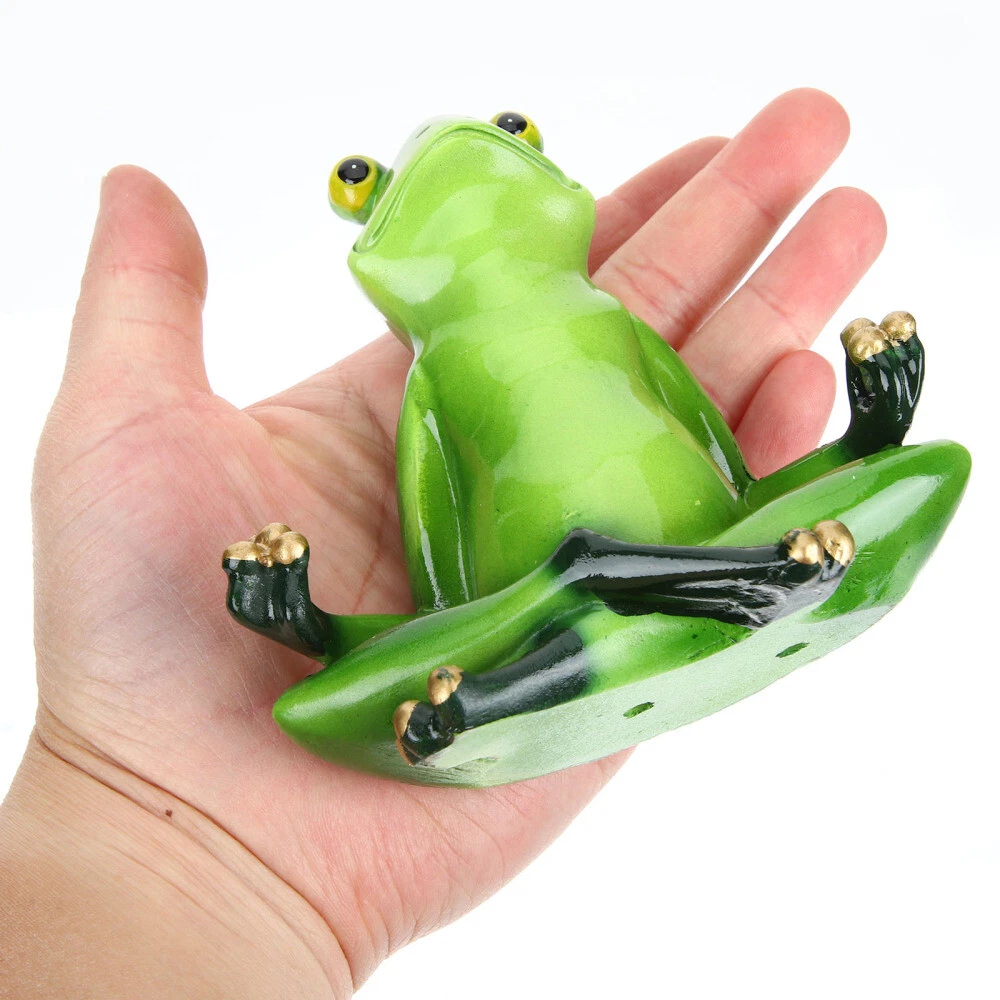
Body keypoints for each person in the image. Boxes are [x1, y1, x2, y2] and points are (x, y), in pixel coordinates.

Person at [0, 89, 884, 997]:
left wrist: (853, 445)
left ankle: (819, 489)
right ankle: (726, 590)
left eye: (517, 133)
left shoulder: (607, 316)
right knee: (573, 570)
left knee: (596, 568)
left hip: (666, 550)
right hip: (549, 591)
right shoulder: (437, 376)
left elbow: (717, 450)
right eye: (357, 184)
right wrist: (352, 630)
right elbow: (439, 554)